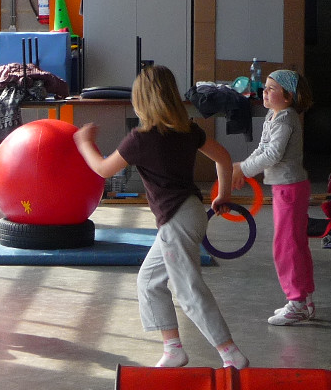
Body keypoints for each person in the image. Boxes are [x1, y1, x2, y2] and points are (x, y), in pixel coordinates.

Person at [73, 65, 249, 369]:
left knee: (188, 289)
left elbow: (103, 170)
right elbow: (223, 158)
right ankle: (173, 349)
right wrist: (224, 196)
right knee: (150, 281)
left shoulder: (140, 139)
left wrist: (85, 143)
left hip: (177, 219)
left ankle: (229, 352)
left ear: (142, 100)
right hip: (191, 212)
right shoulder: (189, 129)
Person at [232, 69, 314, 326]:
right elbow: (262, 148)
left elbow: (272, 155)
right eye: (265, 87)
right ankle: (304, 299)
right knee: (293, 243)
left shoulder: (286, 119)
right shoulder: (273, 115)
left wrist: (242, 170)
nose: (264, 92)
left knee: (287, 246)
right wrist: (243, 167)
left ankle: (297, 302)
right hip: (284, 188)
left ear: (288, 96)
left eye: (271, 88)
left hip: (290, 189)